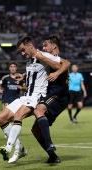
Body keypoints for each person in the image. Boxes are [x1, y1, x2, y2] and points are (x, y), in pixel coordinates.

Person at [0, 35, 70, 163]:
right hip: (26, 96)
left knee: (24, 114)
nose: (22, 53)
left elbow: (65, 63)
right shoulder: (30, 59)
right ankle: (26, 149)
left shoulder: (44, 56)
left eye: (23, 50)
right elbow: (35, 72)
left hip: (45, 96)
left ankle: (9, 148)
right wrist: (24, 76)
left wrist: (56, 72)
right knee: (1, 118)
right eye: (20, 51)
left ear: (30, 46)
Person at [32, 34, 70, 164]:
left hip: (59, 95)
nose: (43, 47)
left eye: (45, 45)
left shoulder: (60, 57)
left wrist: (57, 73)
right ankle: (53, 156)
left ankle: (49, 144)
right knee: (35, 130)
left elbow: (65, 64)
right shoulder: (48, 59)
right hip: (50, 95)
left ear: (54, 46)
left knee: (38, 111)